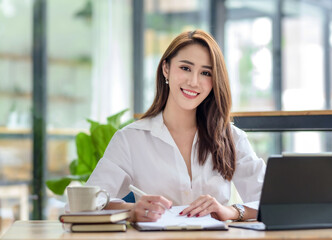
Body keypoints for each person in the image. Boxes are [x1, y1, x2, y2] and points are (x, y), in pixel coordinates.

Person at [86, 29, 266, 222]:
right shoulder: (131, 139)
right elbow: (82, 203)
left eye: (205, 73)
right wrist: (130, 210)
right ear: (166, 69)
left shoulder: (232, 137)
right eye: (185, 68)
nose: (194, 82)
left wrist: (231, 211)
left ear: (214, 82)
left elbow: (271, 201)